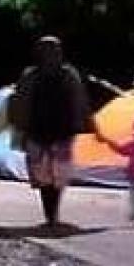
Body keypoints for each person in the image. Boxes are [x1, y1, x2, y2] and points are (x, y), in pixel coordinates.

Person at [8, 36, 92, 230]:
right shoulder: (30, 76)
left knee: (58, 175)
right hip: (37, 132)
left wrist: (83, 124)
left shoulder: (69, 75)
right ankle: (51, 215)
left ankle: (52, 215)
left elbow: (79, 101)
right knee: (43, 176)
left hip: (62, 132)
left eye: (55, 50)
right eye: (47, 50)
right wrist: (21, 130)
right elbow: (20, 104)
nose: (51, 54)